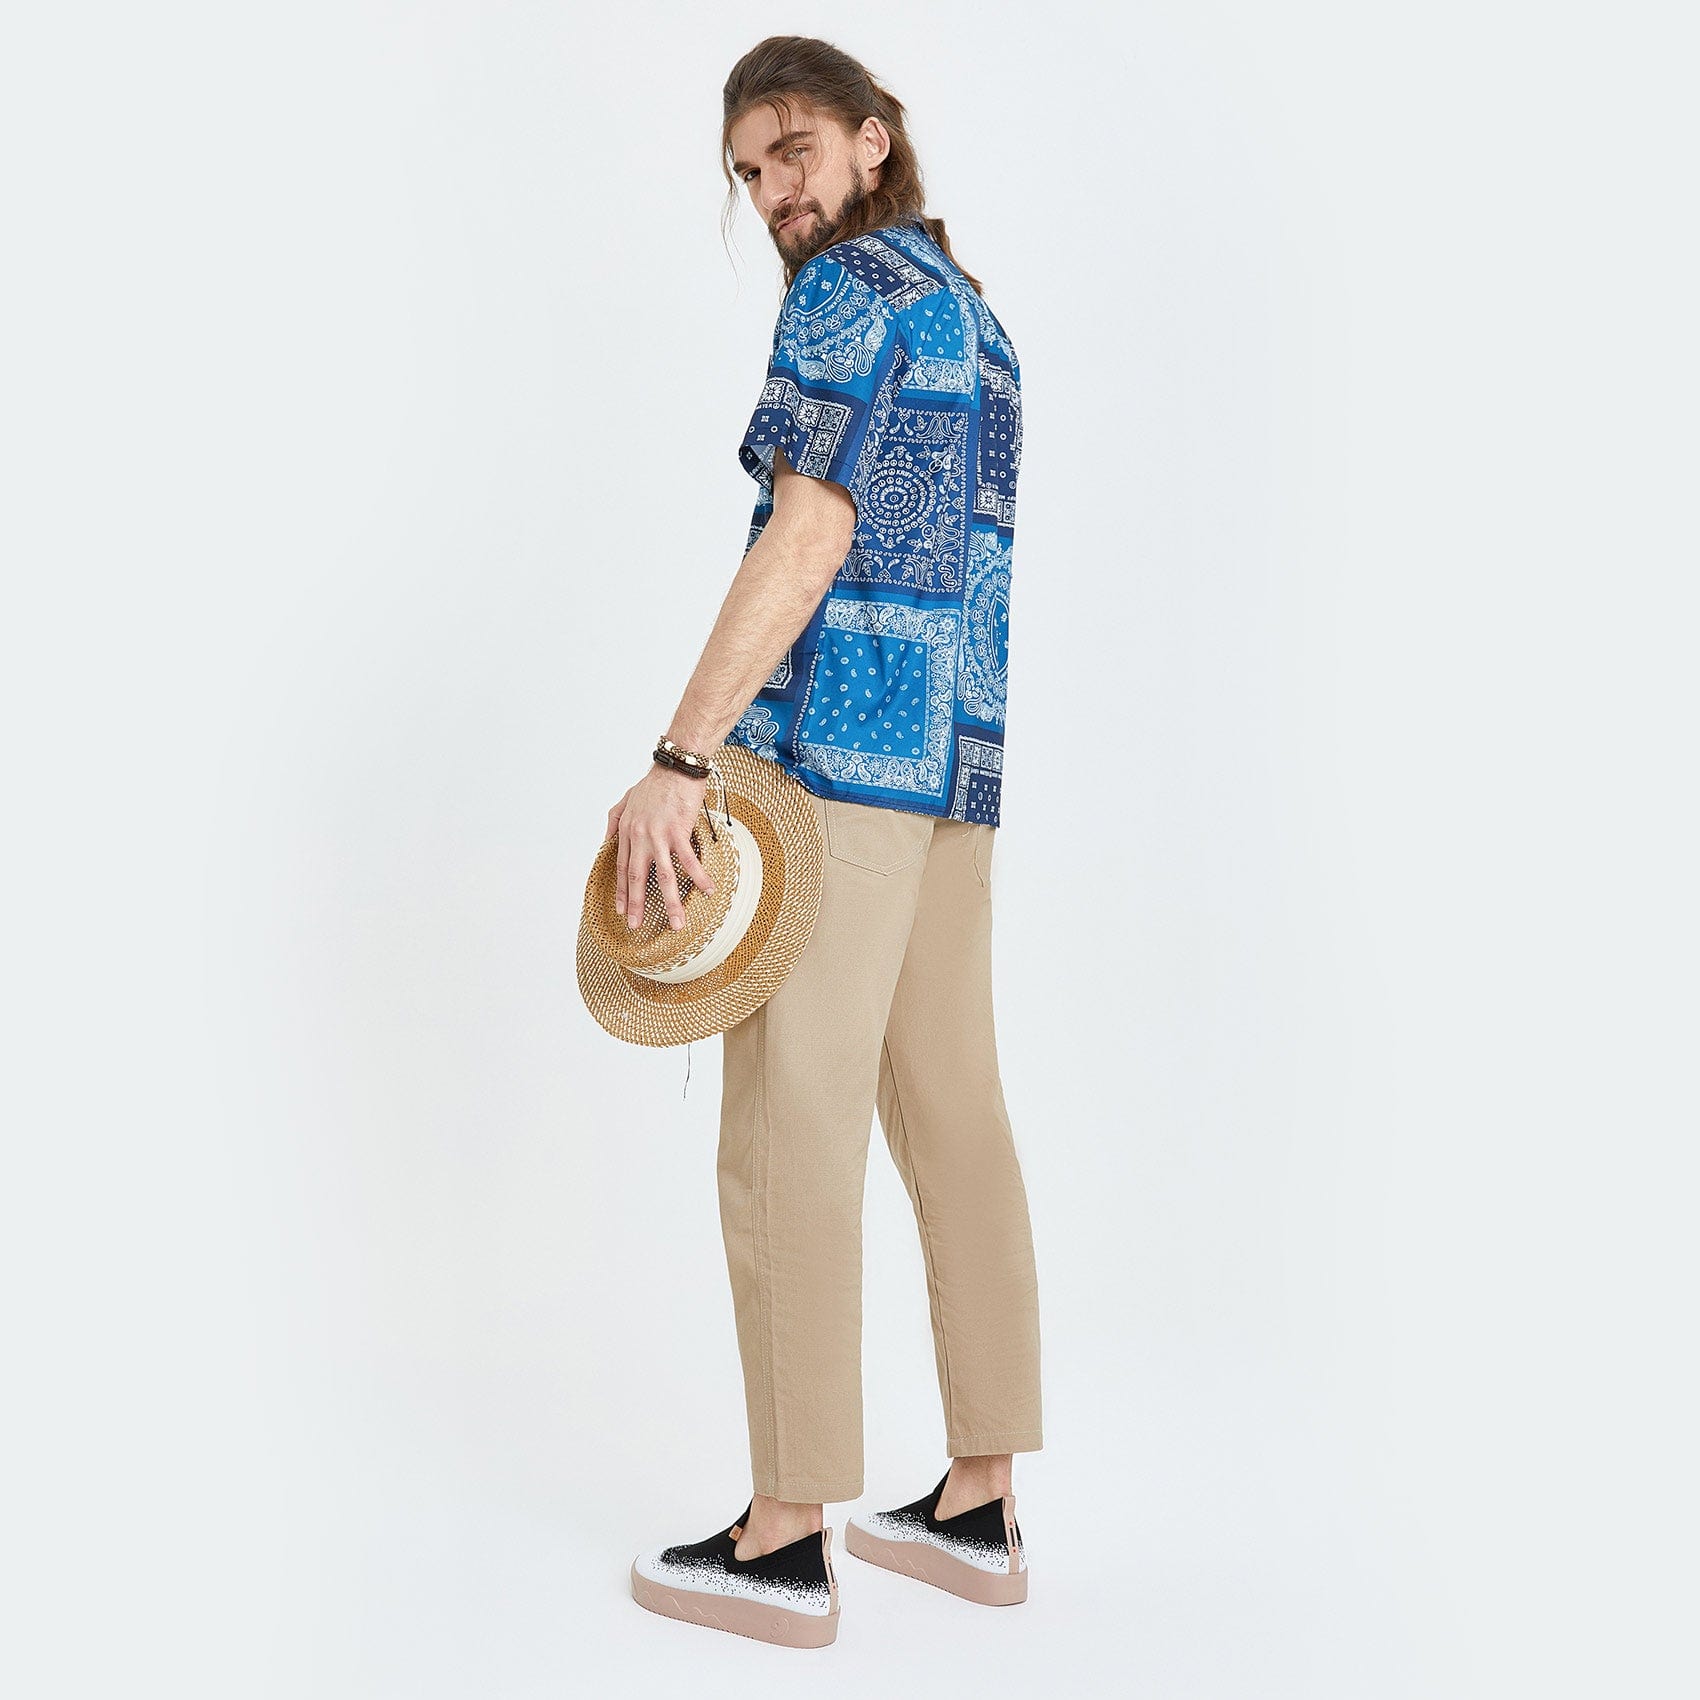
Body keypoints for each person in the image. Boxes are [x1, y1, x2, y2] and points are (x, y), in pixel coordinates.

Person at [612, 36, 1041, 1645]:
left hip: (841, 770)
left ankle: (784, 1537)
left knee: (786, 1131)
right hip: (954, 773)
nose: (772, 192)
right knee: (954, 1116)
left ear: (873, 139)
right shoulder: (975, 316)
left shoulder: (848, 293)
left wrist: (680, 756)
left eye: (791, 150)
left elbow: (808, 532)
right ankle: (981, 1501)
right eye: (748, 171)